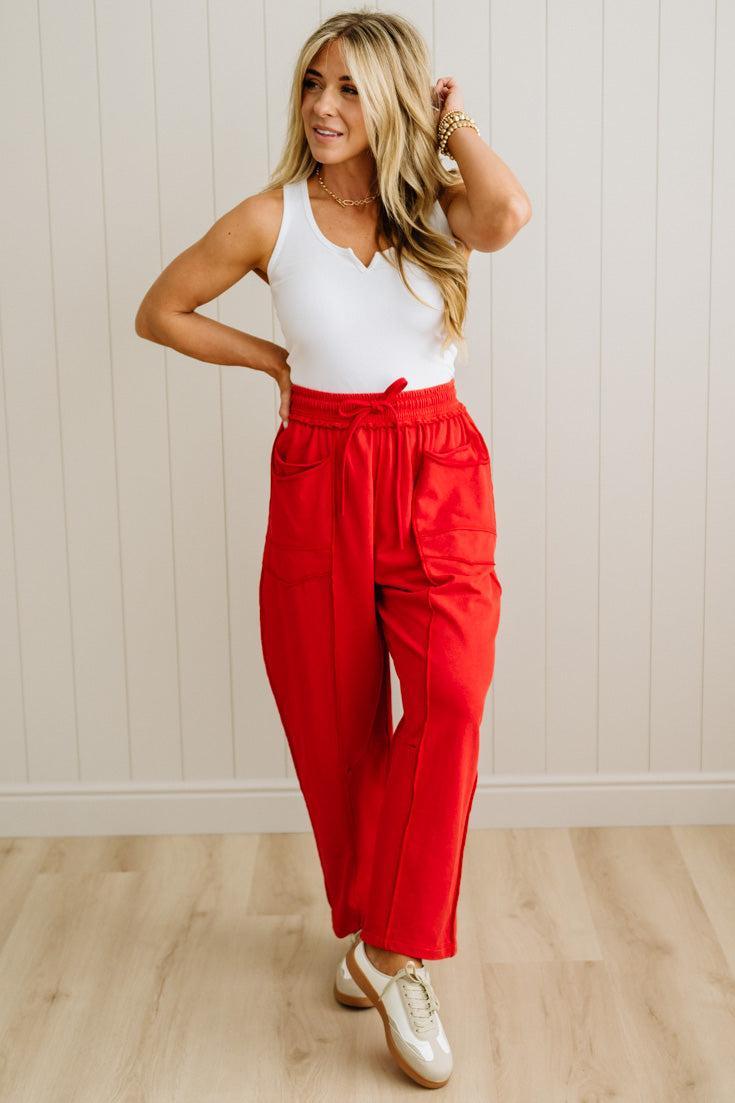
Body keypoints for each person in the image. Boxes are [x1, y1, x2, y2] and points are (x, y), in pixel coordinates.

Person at [135, 8, 531, 1090]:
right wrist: (275, 361)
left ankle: (396, 947)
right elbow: (161, 309)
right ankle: (365, 927)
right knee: (335, 724)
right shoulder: (272, 219)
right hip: (320, 471)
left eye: (352, 88)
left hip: (436, 467)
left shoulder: (435, 212)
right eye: (315, 83)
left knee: (449, 693)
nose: (322, 107)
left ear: (397, 99)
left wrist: (456, 125)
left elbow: (509, 211)